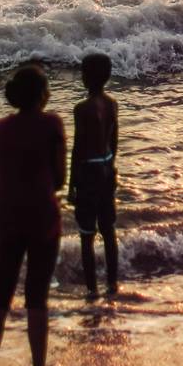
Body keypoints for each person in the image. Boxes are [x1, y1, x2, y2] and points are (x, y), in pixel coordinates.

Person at [0, 63, 66, 366]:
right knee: (37, 296)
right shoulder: (52, 124)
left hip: (7, 214)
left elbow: (0, 173)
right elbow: (60, 179)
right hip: (42, 214)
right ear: (42, 96)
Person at [68, 52, 120, 299]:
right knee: (108, 231)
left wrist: (71, 184)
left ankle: (91, 288)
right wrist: (111, 166)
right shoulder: (112, 103)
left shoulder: (81, 109)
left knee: (87, 236)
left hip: (88, 174)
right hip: (106, 170)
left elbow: (78, 148)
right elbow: (114, 140)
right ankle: (112, 283)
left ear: (85, 78)